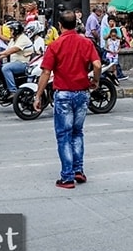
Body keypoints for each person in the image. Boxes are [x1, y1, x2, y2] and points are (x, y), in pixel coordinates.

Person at [34, 10, 101, 189]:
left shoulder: (55, 45)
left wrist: (38, 95)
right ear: (76, 24)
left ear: (60, 25)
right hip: (82, 93)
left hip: (63, 94)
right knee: (77, 133)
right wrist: (95, 80)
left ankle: (67, 177)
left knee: (64, 136)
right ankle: (78, 170)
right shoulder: (86, 43)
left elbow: (46, 72)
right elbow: (97, 64)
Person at [0, 22, 34, 94]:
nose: (10, 32)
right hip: (14, 63)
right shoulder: (13, 40)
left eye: (11, 30)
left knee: (6, 68)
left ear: (16, 31)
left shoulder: (23, 39)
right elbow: (6, 53)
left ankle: (13, 90)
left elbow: (11, 51)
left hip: (23, 63)